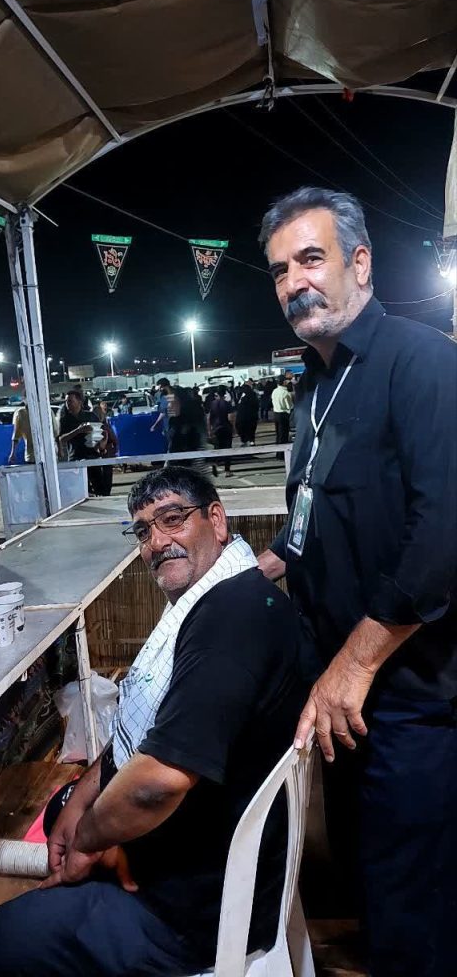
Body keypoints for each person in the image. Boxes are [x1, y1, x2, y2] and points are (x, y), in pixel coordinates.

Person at [257, 184, 457, 977]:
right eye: (280, 270)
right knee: (369, 883)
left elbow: (441, 535)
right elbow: (319, 511)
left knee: (415, 909)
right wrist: (258, 565)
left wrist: (356, 663)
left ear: (361, 263)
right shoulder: (316, 383)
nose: (295, 283)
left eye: (311, 259)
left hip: (410, 698)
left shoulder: (423, 362)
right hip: (342, 698)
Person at [0, 466, 303, 977]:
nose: (157, 543)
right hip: (192, 852)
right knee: (59, 812)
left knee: (6, 937)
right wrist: (86, 796)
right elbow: (145, 735)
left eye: (173, 519)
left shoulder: (230, 624)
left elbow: (154, 786)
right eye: (143, 531)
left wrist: (92, 840)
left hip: (185, 912)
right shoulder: (226, 596)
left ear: (217, 520)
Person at [58, 390, 107, 497]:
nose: (67, 404)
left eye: (70, 401)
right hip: (75, 459)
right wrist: (78, 430)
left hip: (92, 457)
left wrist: (102, 445)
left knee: (100, 490)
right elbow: (61, 439)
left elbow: (102, 432)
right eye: (66, 401)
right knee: (80, 493)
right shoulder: (64, 420)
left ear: (79, 402)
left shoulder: (90, 416)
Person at [8, 401, 58, 465]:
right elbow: (16, 436)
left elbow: (55, 432)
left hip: (49, 454)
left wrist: (59, 449)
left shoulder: (47, 410)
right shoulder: (20, 413)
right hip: (31, 455)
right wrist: (12, 453)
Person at [208, 384, 235, 476]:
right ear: (225, 393)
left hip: (216, 428)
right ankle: (227, 470)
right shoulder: (227, 404)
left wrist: (209, 430)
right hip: (226, 428)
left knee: (217, 448)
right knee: (227, 449)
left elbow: (209, 418)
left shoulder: (213, 404)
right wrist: (234, 428)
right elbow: (230, 417)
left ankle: (215, 464)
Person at [95, 399, 119, 496]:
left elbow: (113, 438)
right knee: (106, 472)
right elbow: (114, 439)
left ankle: (103, 491)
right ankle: (105, 491)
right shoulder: (104, 425)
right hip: (105, 452)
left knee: (104, 472)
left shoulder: (103, 425)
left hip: (104, 452)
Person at [271, 377, 292, 457]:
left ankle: (278, 452)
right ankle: (282, 454)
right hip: (283, 414)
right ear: (284, 382)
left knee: (278, 434)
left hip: (276, 413)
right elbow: (289, 406)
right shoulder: (285, 393)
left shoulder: (274, 391)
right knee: (284, 435)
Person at [235, 380, 259, 446]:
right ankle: (251, 441)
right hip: (251, 415)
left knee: (243, 428)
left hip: (242, 416)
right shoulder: (252, 394)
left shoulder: (241, 395)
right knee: (251, 428)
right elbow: (256, 405)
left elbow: (238, 405)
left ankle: (244, 441)